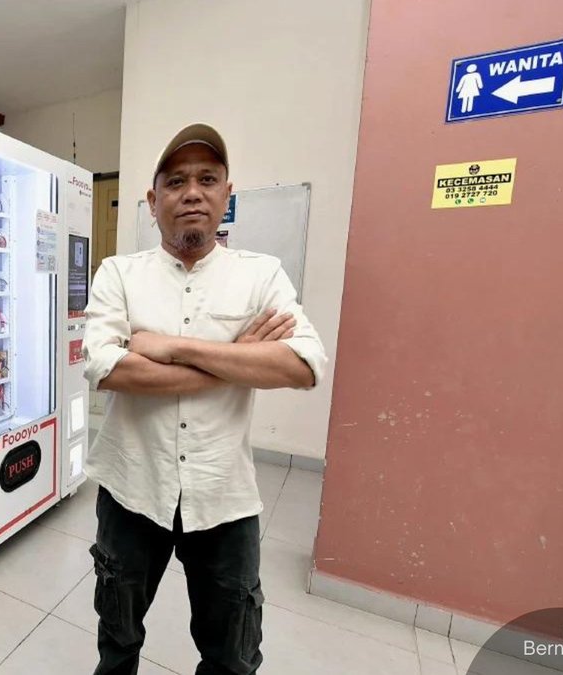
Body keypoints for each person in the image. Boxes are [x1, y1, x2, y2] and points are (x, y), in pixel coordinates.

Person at [82, 123, 327, 675]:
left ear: (226, 195)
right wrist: (238, 359)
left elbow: (303, 365)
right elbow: (106, 368)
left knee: (233, 656)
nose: (192, 191)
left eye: (207, 178)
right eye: (175, 181)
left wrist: (169, 347)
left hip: (223, 498)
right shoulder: (119, 274)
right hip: (131, 491)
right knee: (117, 640)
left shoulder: (260, 275)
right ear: (153, 201)